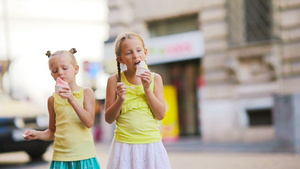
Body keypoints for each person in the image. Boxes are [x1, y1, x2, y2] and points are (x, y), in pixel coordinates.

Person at [24, 48, 101, 169]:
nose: (60, 73)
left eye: (64, 68)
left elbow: (89, 122)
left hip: (84, 156)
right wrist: (38, 135)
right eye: (55, 71)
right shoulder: (52, 100)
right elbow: (52, 132)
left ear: (76, 69)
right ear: (52, 75)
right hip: (61, 158)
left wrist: (71, 99)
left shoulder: (86, 92)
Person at [105, 32, 172, 169]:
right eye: (129, 53)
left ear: (145, 52)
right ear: (120, 59)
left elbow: (160, 114)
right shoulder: (114, 81)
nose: (135, 55)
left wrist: (147, 89)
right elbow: (108, 118)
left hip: (151, 145)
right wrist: (120, 99)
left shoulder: (155, 79)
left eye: (138, 50)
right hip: (124, 146)